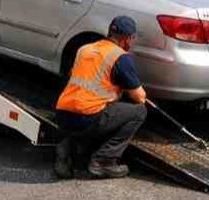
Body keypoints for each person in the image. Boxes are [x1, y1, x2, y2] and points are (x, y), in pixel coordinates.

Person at [53, 15, 148, 179]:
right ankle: (104, 161)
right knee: (139, 111)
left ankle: (67, 149)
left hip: (62, 115)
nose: (132, 43)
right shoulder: (120, 57)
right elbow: (140, 97)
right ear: (127, 39)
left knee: (95, 111)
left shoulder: (85, 49)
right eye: (133, 39)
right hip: (87, 118)